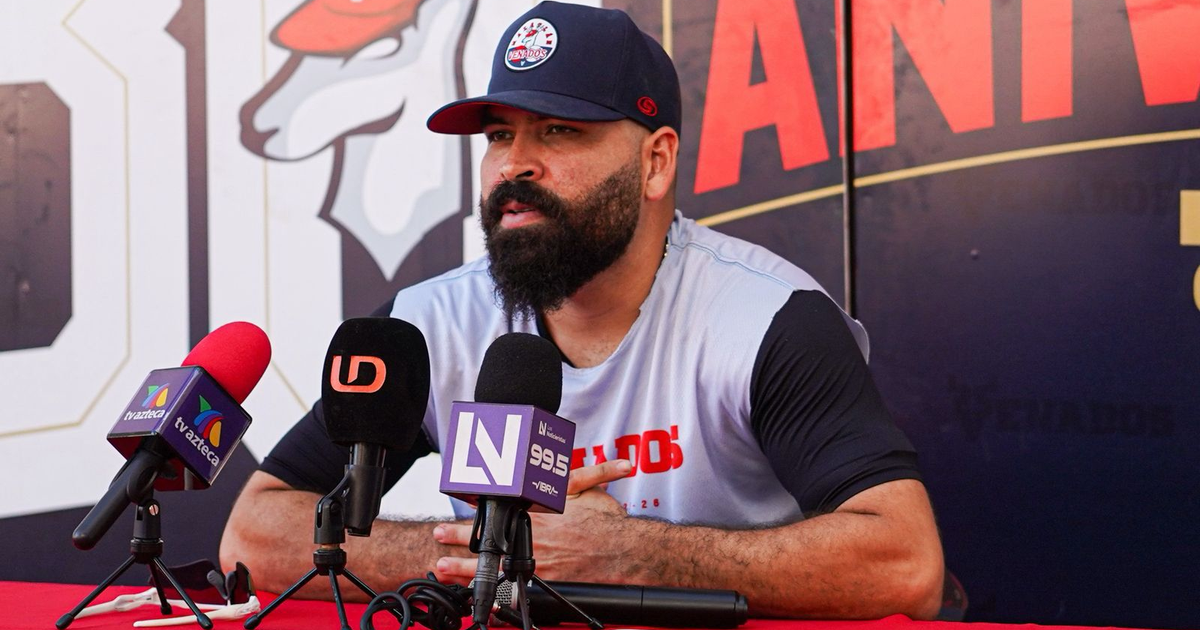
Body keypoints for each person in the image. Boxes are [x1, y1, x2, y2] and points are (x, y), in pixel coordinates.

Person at [221, 1, 944, 619]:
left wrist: (631, 554)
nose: (514, 164)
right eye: (500, 134)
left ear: (655, 163)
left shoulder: (766, 317)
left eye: (559, 131)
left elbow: (905, 564)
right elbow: (257, 532)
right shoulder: (428, 323)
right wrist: (488, 551)